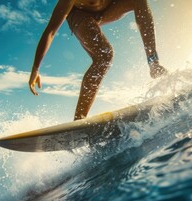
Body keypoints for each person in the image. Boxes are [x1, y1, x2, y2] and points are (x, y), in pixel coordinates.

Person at [28, 0, 167, 121]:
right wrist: (35, 69)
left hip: (106, 11)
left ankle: (153, 62)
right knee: (104, 55)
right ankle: (79, 121)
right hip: (79, 16)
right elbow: (50, 32)